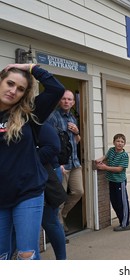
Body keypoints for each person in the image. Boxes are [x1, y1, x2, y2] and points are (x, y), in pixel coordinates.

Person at [0, 63, 65, 260]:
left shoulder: (28, 114)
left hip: (28, 191)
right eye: (9, 83)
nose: (13, 91)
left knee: (26, 255)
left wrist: (30, 67)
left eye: (20, 89)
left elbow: (56, 89)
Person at [47, 89, 83, 232]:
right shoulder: (53, 117)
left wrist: (77, 132)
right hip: (62, 165)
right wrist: (57, 163)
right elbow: (50, 142)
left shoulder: (72, 118)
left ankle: (63, 214)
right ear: (59, 100)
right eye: (64, 99)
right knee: (60, 199)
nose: (66, 102)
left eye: (69, 99)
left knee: (78, 192)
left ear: (73, 102)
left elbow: (77, 141)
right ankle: (60, 228)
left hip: (75, 163)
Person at [39, 121, 67, 259]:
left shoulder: (38, 122)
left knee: (49, 220)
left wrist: (27, 159)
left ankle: (62, 260)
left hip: (48, 174)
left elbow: (54, 147)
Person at [95, 133, 130, 232]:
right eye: (118, 141)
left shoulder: (124, 155)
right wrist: (100, 159)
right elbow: (106, 156)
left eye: (122, 142)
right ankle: (122, 219)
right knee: (114, 202)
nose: (120, 143)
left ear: (124, 144)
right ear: (114, 142)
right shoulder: (111, 150)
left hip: (120, 182)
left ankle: (125, 224)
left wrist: (105, 167)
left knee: (122, 202)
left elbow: (119, 169)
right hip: (111, 180)